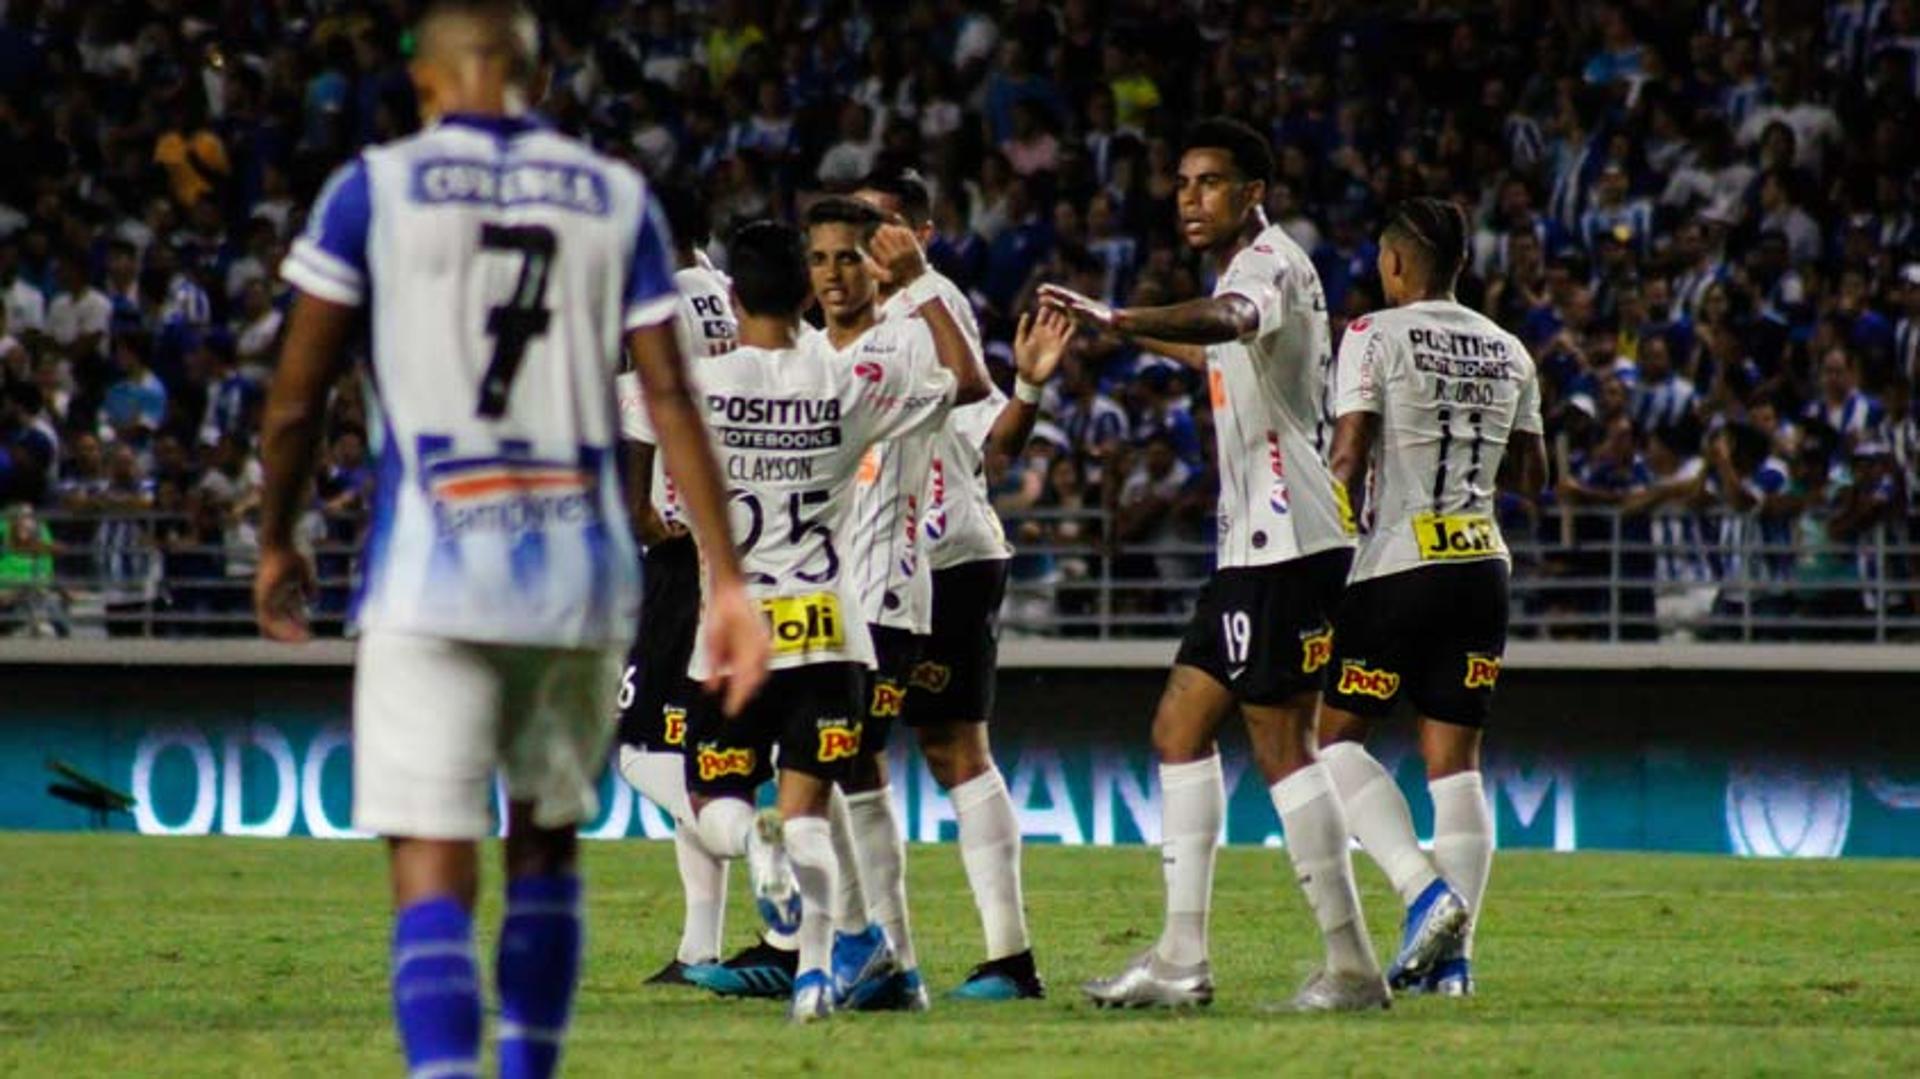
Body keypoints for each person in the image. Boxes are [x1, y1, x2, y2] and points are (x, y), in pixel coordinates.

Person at [252, 4, 767, 1076]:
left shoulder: (374, 191)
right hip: (575, 579)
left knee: (435, 859)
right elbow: (671, 394)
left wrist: (277, 538)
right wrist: (725, 575)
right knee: (543, 848)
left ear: (427, 81)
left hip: (428, 573)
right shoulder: (614, 199)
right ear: (538, 74)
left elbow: (296, 403)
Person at [1046, 117, 1388, 1011]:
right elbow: (1217, 347)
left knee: (1283, 746)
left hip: (1286, 542)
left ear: (1252, 193)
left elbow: (1233, 319)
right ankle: (1178, 957)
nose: (1190, 197)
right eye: (1183, 182)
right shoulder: (1251, 273)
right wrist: (1124, 335)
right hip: (1254, 546)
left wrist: (1119, 312)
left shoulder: (1266, 265)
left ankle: (1352, 966)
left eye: (1209, 182)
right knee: (1178, 728)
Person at [670, 218, 989, 1022]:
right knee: (810, 812)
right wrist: (919, 281)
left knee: (715, 806)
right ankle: (814, 977)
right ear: (806, 290)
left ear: (734, 294)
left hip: (735, 636)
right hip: (831, 634)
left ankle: (755, 847)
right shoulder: (845, 381)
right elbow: (966, 379)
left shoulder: (696, 385)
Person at [1317, 196, 1548, 999]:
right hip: (1483, 566)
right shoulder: (1511, 350)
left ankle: (1424, 892)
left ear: (1394, 264)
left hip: (1397, 565)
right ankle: (1452, 967)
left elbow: (1347, 453)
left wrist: (1319, 542)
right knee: (1456, 766)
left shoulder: (1371, 336)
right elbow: (1534, 478)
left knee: (1335, 744)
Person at [851, 170, 1049, 1001]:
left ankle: (992, 957)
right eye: (858, 227)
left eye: (884, 225)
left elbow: (982, 416)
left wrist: (1030, 389)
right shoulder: (854, 313)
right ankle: (897, 956)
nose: (869, 242)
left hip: (945, 559)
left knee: (931, 750)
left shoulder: (931, 304)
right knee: (859, 751)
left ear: (922, 234)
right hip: (878, 564)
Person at [607, 182, 747, 991]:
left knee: (638, 751)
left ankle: (766, 852)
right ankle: (701, 949)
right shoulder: (730, 294)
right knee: (685, 742)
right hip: (729, 535)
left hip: (676, 542)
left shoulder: (655, 299)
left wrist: (633, 501)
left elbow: (640, 398)